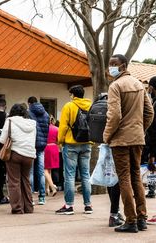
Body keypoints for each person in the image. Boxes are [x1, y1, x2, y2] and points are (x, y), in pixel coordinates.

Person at [103, 54, 154, 233]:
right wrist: (140, 129)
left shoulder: (115, 86)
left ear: (123, 66)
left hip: (120, 140)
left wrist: (107, 135)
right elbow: (150, 112)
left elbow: (114, 115)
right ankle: (142, 218)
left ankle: (130, 220)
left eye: (114, 64)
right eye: (110, 64)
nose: (111, 68)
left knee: (124, 178)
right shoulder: (139, 84)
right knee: (136, 176)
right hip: (137, 138)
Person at [55, 85, 93, 215]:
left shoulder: (69, 106)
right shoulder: (90, 106)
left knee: (70, 175)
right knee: (85, 175)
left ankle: (69, 205)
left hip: (71, 143)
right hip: (87, 143)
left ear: (73, 95)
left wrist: (60, 141)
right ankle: (88, 205)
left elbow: (63, 126)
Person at [0, 104, 37, 214]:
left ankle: (17, 208)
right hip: (29, 154)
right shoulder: (32, 123)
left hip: (14, 154)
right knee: (26, 181)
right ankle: (29, 208)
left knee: (14, 181)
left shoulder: (9, 121)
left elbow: (2, 140)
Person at [27, 96, 49, 205]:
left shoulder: (28, 113)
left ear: (29, 103)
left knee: (30, 172)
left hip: (31, 145)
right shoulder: (46, 114)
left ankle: (30, 197)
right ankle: (42, 197)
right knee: (40, 172)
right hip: (42, 145)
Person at [44, 115, 59, 197]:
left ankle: (52, 187)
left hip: (46, 148)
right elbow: (58, 140)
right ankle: (47, 189)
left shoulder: (44, 129)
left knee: (45, 169)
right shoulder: (57, 128)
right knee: (49, 170)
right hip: (54, 148)